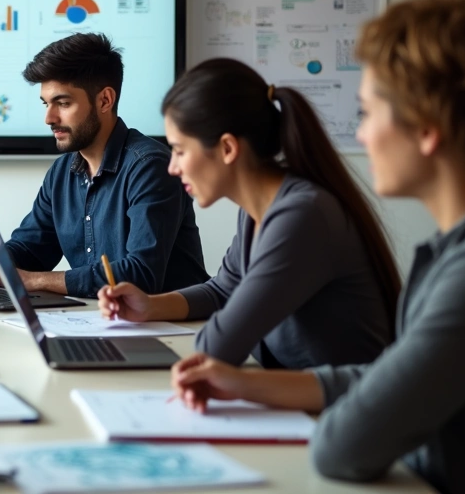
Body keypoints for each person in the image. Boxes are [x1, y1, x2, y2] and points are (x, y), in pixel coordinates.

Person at [169, 0, 465, 494]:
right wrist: (245, 383)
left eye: (368, 113)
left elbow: (344, 444)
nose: (360, 135)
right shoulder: (447, 254)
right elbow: (379, 381)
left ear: (426, 130)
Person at [95, 59, 398, 369]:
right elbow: (222, 290)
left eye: (180, 150)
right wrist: (149, 306)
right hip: (293, 399)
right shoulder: (260, 210)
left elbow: (217, 346)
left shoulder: (302, 216)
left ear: (227, 148)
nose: (172, 167)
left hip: (337, 409)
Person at [0, 33, 209, 297]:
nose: (49, 118)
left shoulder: (151, 167)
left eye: (63, 103)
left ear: (105, 100)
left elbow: (140, 275)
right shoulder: (61, 173)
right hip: (99, 321)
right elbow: (30, 251)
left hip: (170, 327)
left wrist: (33, 281)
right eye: (46, 104)